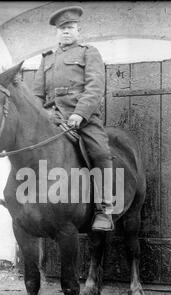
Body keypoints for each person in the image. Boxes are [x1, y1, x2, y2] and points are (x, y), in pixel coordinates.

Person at [33, 6, 114, 231]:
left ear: (78, 30)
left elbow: (95, 87)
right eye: (62, 29)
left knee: (101, 153)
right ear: (56, 33)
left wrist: (80, 113)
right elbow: (37, 94)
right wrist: (40, 115)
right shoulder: (47, 59)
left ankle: (104, 210)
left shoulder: (89, 52)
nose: (65, 32)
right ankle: (23, 201)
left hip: (82, 118)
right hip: (51, 116)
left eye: (70, 28)